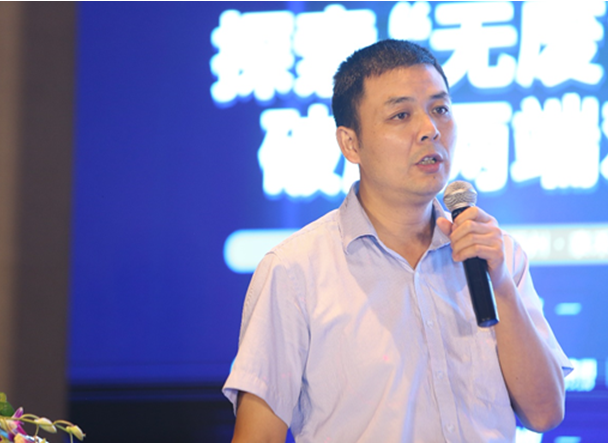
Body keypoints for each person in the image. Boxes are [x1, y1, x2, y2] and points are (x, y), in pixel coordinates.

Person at [223, 39, 572, 443]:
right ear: (351, 144)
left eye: (440, 109)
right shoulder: (296, 270)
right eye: (401, 115)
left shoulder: (496, 255)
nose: (430, 129)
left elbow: (545, 414)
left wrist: (503, 288)